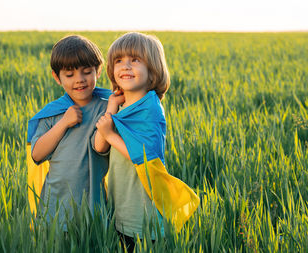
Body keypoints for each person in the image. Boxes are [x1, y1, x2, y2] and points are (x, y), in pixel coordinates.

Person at [94, 32, 200, 252]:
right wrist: (111, 107)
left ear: (153, 70)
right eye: (119, 61)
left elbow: (145, 155)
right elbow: (99, 146)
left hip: (143, 210)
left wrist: (111, 134)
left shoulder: (150, 109)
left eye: (135, 60)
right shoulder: (121, 106)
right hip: (121, 204)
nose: (126, 66)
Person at [26, 35, 112, 229]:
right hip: (56, 204)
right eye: (69, 74)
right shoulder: (54, 113)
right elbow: (37, 154)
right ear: (57, 77)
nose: (79, 80)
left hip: (94, 204)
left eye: (87, 72)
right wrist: (64, 123)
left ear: (98, 71)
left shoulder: (107, 106)